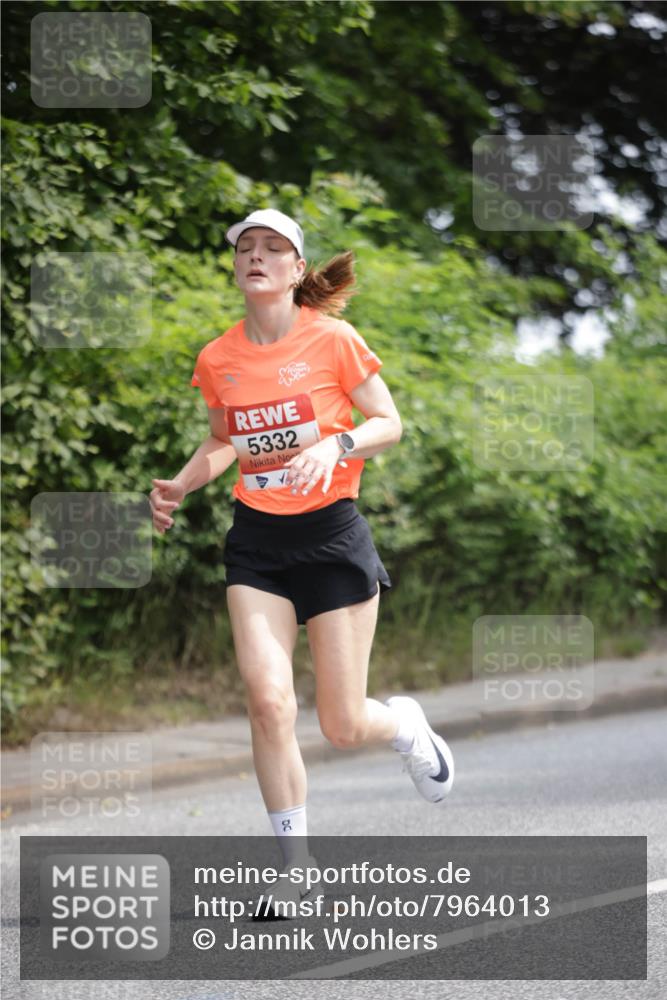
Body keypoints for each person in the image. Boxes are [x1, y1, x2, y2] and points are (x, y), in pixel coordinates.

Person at [150, 209, 454, 912]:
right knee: (267, 702)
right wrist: (180, 483)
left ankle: (405, 726)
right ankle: (296, 868)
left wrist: (335, 446)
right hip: (256, 542)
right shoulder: (218, 357)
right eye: (245, 248)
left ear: (293, 271)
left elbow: (388, 423)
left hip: (330, 537)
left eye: (272, 248)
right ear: (235, 268)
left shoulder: (333, 339)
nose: (256, 256)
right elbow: (224, 441)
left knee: (342, 727)